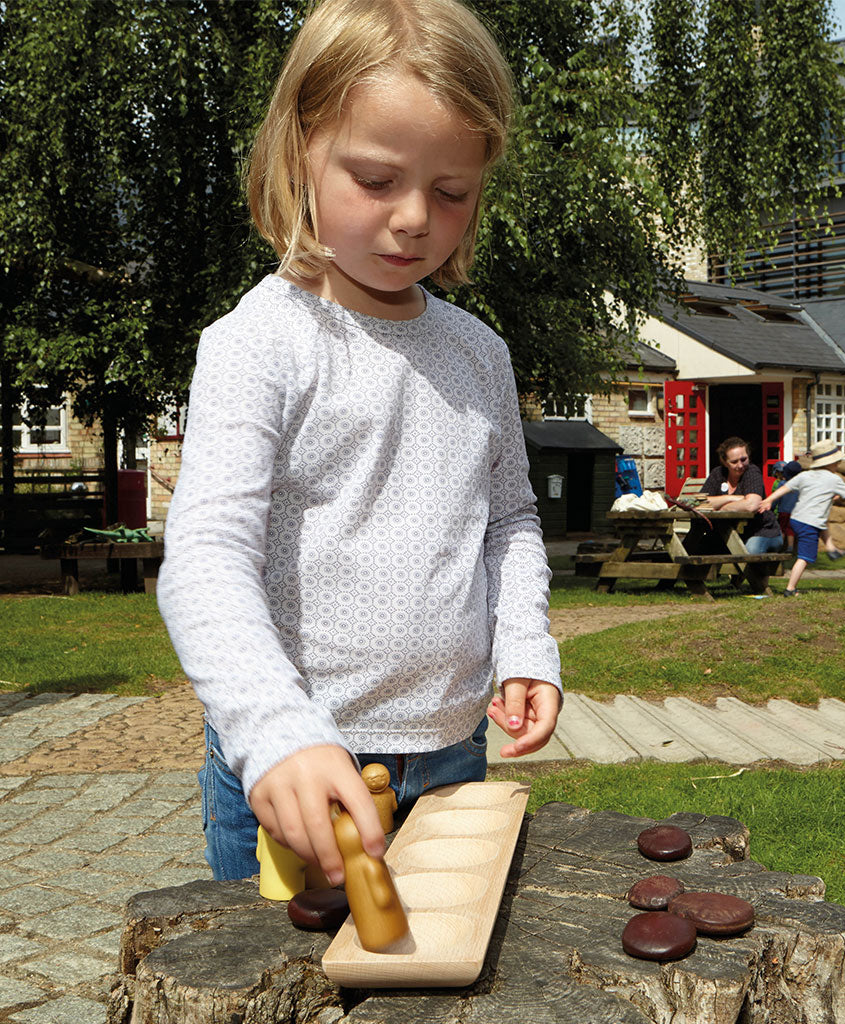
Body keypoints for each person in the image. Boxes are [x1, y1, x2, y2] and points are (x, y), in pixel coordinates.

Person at [157, 0, 561, 888]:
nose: (415, 217)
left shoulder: (477, 352)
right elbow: (204, 556)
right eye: (376, 180)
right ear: (300, 147)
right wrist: (275, 734)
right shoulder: (259, 341)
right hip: (301, 772)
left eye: (450, 191)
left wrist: (526, 645)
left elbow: (512, 522)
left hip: (454, 758)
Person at [759, 438, 845, 596]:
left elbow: (786, 488)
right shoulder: (834, 479)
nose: (838, 465)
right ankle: (790, 588)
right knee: (804, 557)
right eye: (836, 462)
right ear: (830, 463)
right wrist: (838, 495)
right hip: (809, 522)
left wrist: (769, 500)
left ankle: (831, 549)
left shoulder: (806, 476)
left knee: (823, 523)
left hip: (796, 519)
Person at [692, 437, 784, 554]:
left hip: (762, 531)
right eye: (734, 462)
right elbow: (700, 502)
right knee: (699, 548)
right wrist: (732, 498)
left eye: (743, 459)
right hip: (728, 532)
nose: (740, 465)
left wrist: (722, 507)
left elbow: (752, 505)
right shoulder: (718, 474)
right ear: (725, 462)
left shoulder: (752, 471)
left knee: (750, 552)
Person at [770, 459, 803, 553]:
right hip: (795, 512)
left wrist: (772, 507)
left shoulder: (782, 484)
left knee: (781, 529)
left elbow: (776, 497)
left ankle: (779, 546)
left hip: (783, 511)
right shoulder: (799, 485)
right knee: (790, 530)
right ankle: (790, 547)